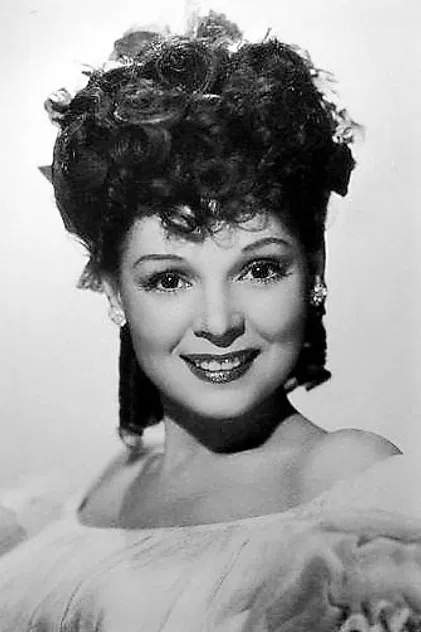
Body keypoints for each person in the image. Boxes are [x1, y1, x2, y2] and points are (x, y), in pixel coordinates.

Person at [1, 12, 421, 631]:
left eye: (259, 269)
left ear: (314, 268)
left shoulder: (354, 482)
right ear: (114, 290)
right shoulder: (106, 486)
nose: (219, 322)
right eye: (169, 280)